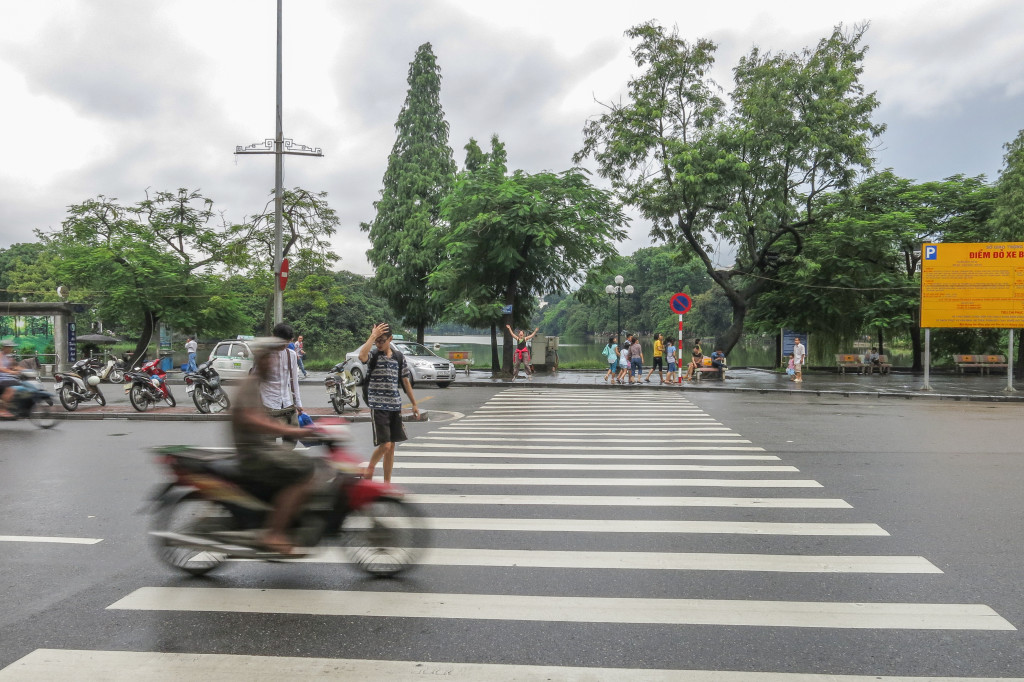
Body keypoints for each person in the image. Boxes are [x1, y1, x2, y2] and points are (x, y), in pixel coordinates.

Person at [231, 336, 316, 555]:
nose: (274, 363)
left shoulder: (259, 381)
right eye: (270, 359)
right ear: (262, 360)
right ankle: (275, 533)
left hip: (263, 447)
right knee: (304, 471)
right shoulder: (250, 383)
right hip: (254, 454)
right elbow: (252, 419)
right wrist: (288, 429)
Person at [360, 322, 420, 482]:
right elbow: (362, 356)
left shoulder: (399, 357)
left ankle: (387, 483)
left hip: (395, 406)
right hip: (378, 406)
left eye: (382, 340)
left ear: (390, 339)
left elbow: (405, 381)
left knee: (391, 447)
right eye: (377, 340)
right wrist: (372, 336)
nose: (379, 344)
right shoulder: (373, 355)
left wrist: (414, 404)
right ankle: (370, 468)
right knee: (385, 445)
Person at [261, 322, 306, 430]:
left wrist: (298, 403)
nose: (284, 345)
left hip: (285, 404)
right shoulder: (264, 355)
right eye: (282, 342)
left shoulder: (292, 355)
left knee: (290, 438)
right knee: (270, 438)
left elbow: (294, 381)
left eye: (288, 342)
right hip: (267, 403)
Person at [0, 340, 21, 419]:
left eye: (11, 347)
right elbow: (1, 368)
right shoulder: (0, 355)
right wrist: (11, 372)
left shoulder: (8, 357)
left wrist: (25, 370)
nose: (11, 349)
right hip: (1, 378)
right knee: (11, 389)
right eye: (9, 347)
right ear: (5, 347)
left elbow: (14, 366)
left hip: (6, 377)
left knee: (18, 384)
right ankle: (2, 410)